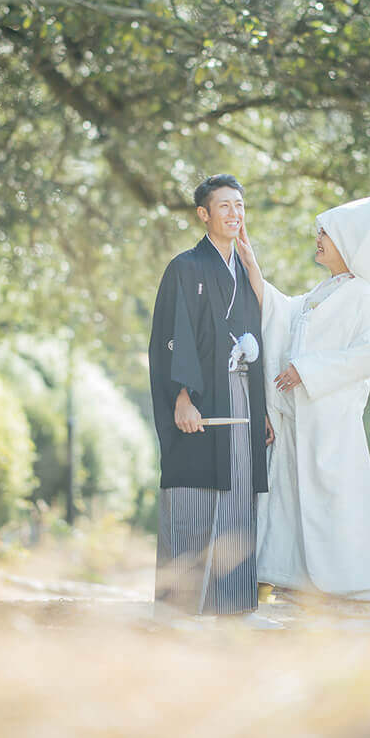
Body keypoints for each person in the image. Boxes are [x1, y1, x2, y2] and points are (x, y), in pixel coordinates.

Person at [236, 194, 370, 615]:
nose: (318, 238)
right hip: (299, 419)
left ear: (347, 240)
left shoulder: (362, 295)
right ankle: (303, 580)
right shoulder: (323, 291)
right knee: (294, 495)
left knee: (336, 497)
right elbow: (280, 313)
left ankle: (352, 582)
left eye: (325, 232)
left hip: (331, 421)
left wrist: (305, 371)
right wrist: (251, 261)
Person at [148, 174, 280, 627]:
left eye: (239, 205)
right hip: (201, 392)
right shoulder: (185, 267)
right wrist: (182, 398)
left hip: (241, 393)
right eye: (224, 206)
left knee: (239, 489)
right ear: (203, 214)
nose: (234, 214)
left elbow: (264, 326)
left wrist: (260, 408)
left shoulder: (244, 268)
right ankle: (177, 605)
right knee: (191, 492)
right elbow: (173, 335)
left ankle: (234, 605)